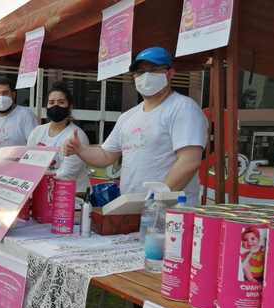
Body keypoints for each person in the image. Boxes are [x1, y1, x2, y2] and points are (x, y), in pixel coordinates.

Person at [65, 47, 207, 205]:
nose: (146, 76)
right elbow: (106, 155)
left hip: (172, 212)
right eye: (140, 72)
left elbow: (189, 161)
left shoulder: (183, 108)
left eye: (153, 70)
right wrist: (80, 150)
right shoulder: (127, 117)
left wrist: (159, 199)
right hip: (133, 209)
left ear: (170, 73)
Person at [27, 81, 90, 191]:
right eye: (51, 102)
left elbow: (67, 174)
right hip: (43, 192)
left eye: (61, 102)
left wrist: (38, 177)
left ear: (69, 106)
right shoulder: (37, 132)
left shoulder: (77, 135)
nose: (55, 106)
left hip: (72, 197)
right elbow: (28, 163)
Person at [0, 77, 38, 152]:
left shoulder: (26, 115)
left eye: (5, 93)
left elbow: (34, 146)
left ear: (13, 95)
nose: (1, 97)